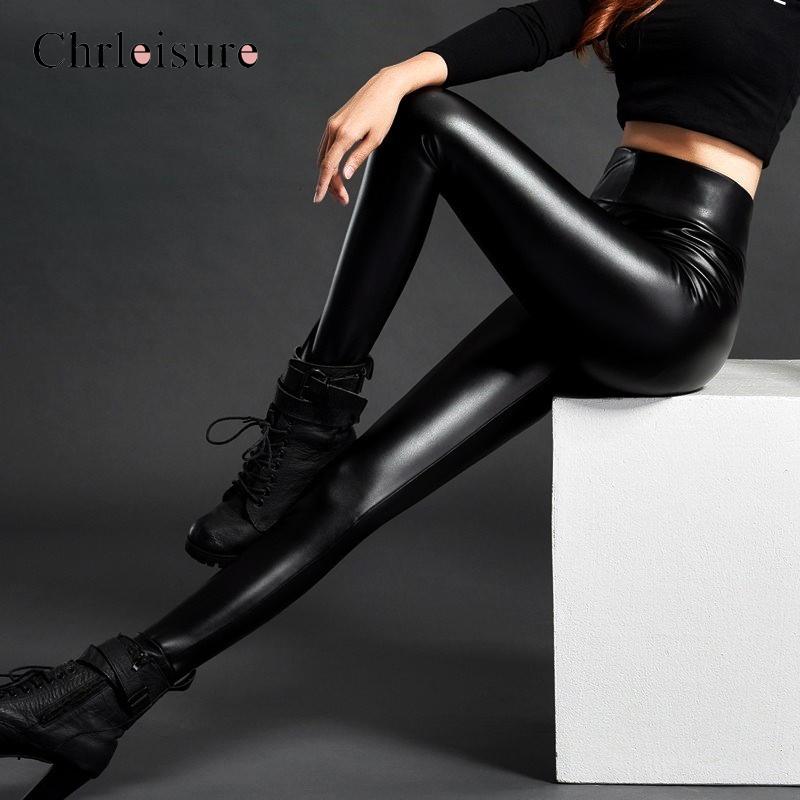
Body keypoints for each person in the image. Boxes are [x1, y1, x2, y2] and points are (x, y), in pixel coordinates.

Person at [2, 1, 799, 797]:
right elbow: (536, 27)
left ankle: (309, 417)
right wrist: (396, 73)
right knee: (355, 487)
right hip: (595, 258)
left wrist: (395, 81)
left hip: (677, 288)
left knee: (426, 119)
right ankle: (108, 693)